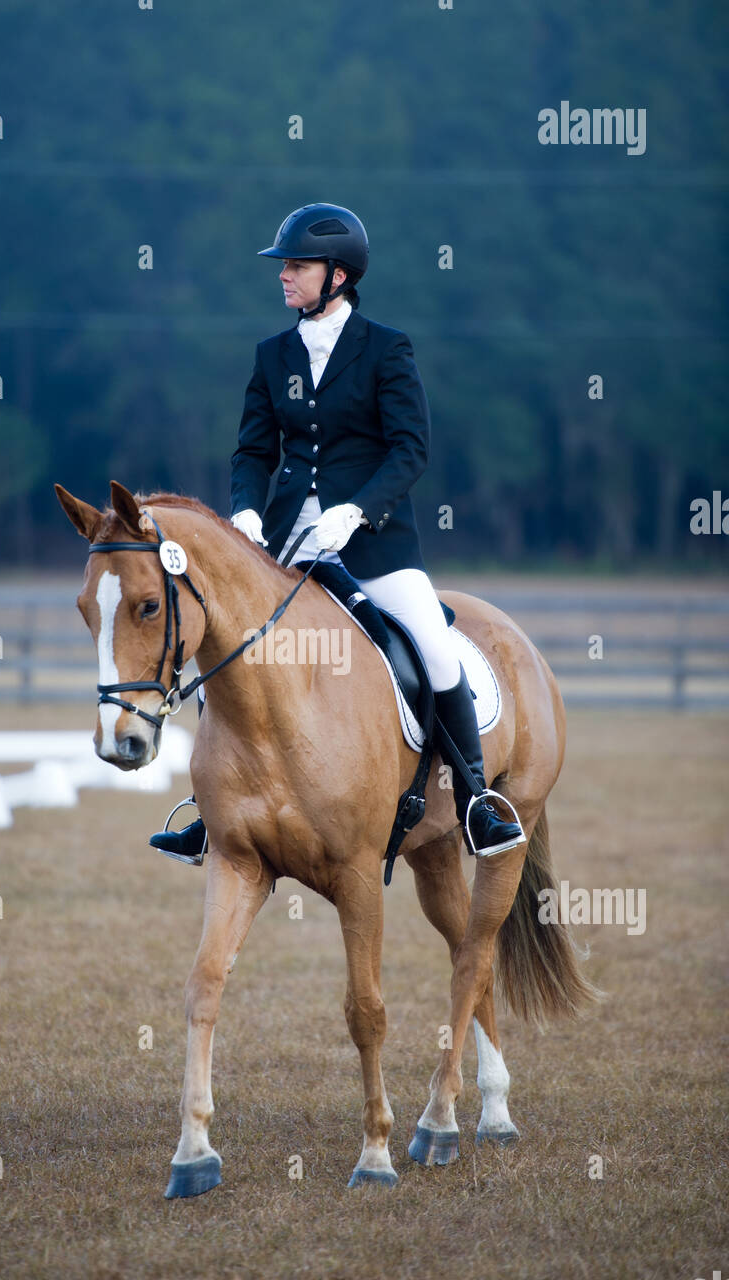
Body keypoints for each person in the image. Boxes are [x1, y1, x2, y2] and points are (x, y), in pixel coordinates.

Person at [150, 203, 525, 863]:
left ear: (339, 274)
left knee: (435, 651)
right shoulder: (273, 356)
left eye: (296, 266)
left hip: (376, 545)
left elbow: (410, 450)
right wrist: (245, 513)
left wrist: (357, 510)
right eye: (284, 266)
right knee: (227, 655)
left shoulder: (387, 348)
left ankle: (475, 802)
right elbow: (252, 453)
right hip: (288, 550)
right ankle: (209, 812)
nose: (284, 277)